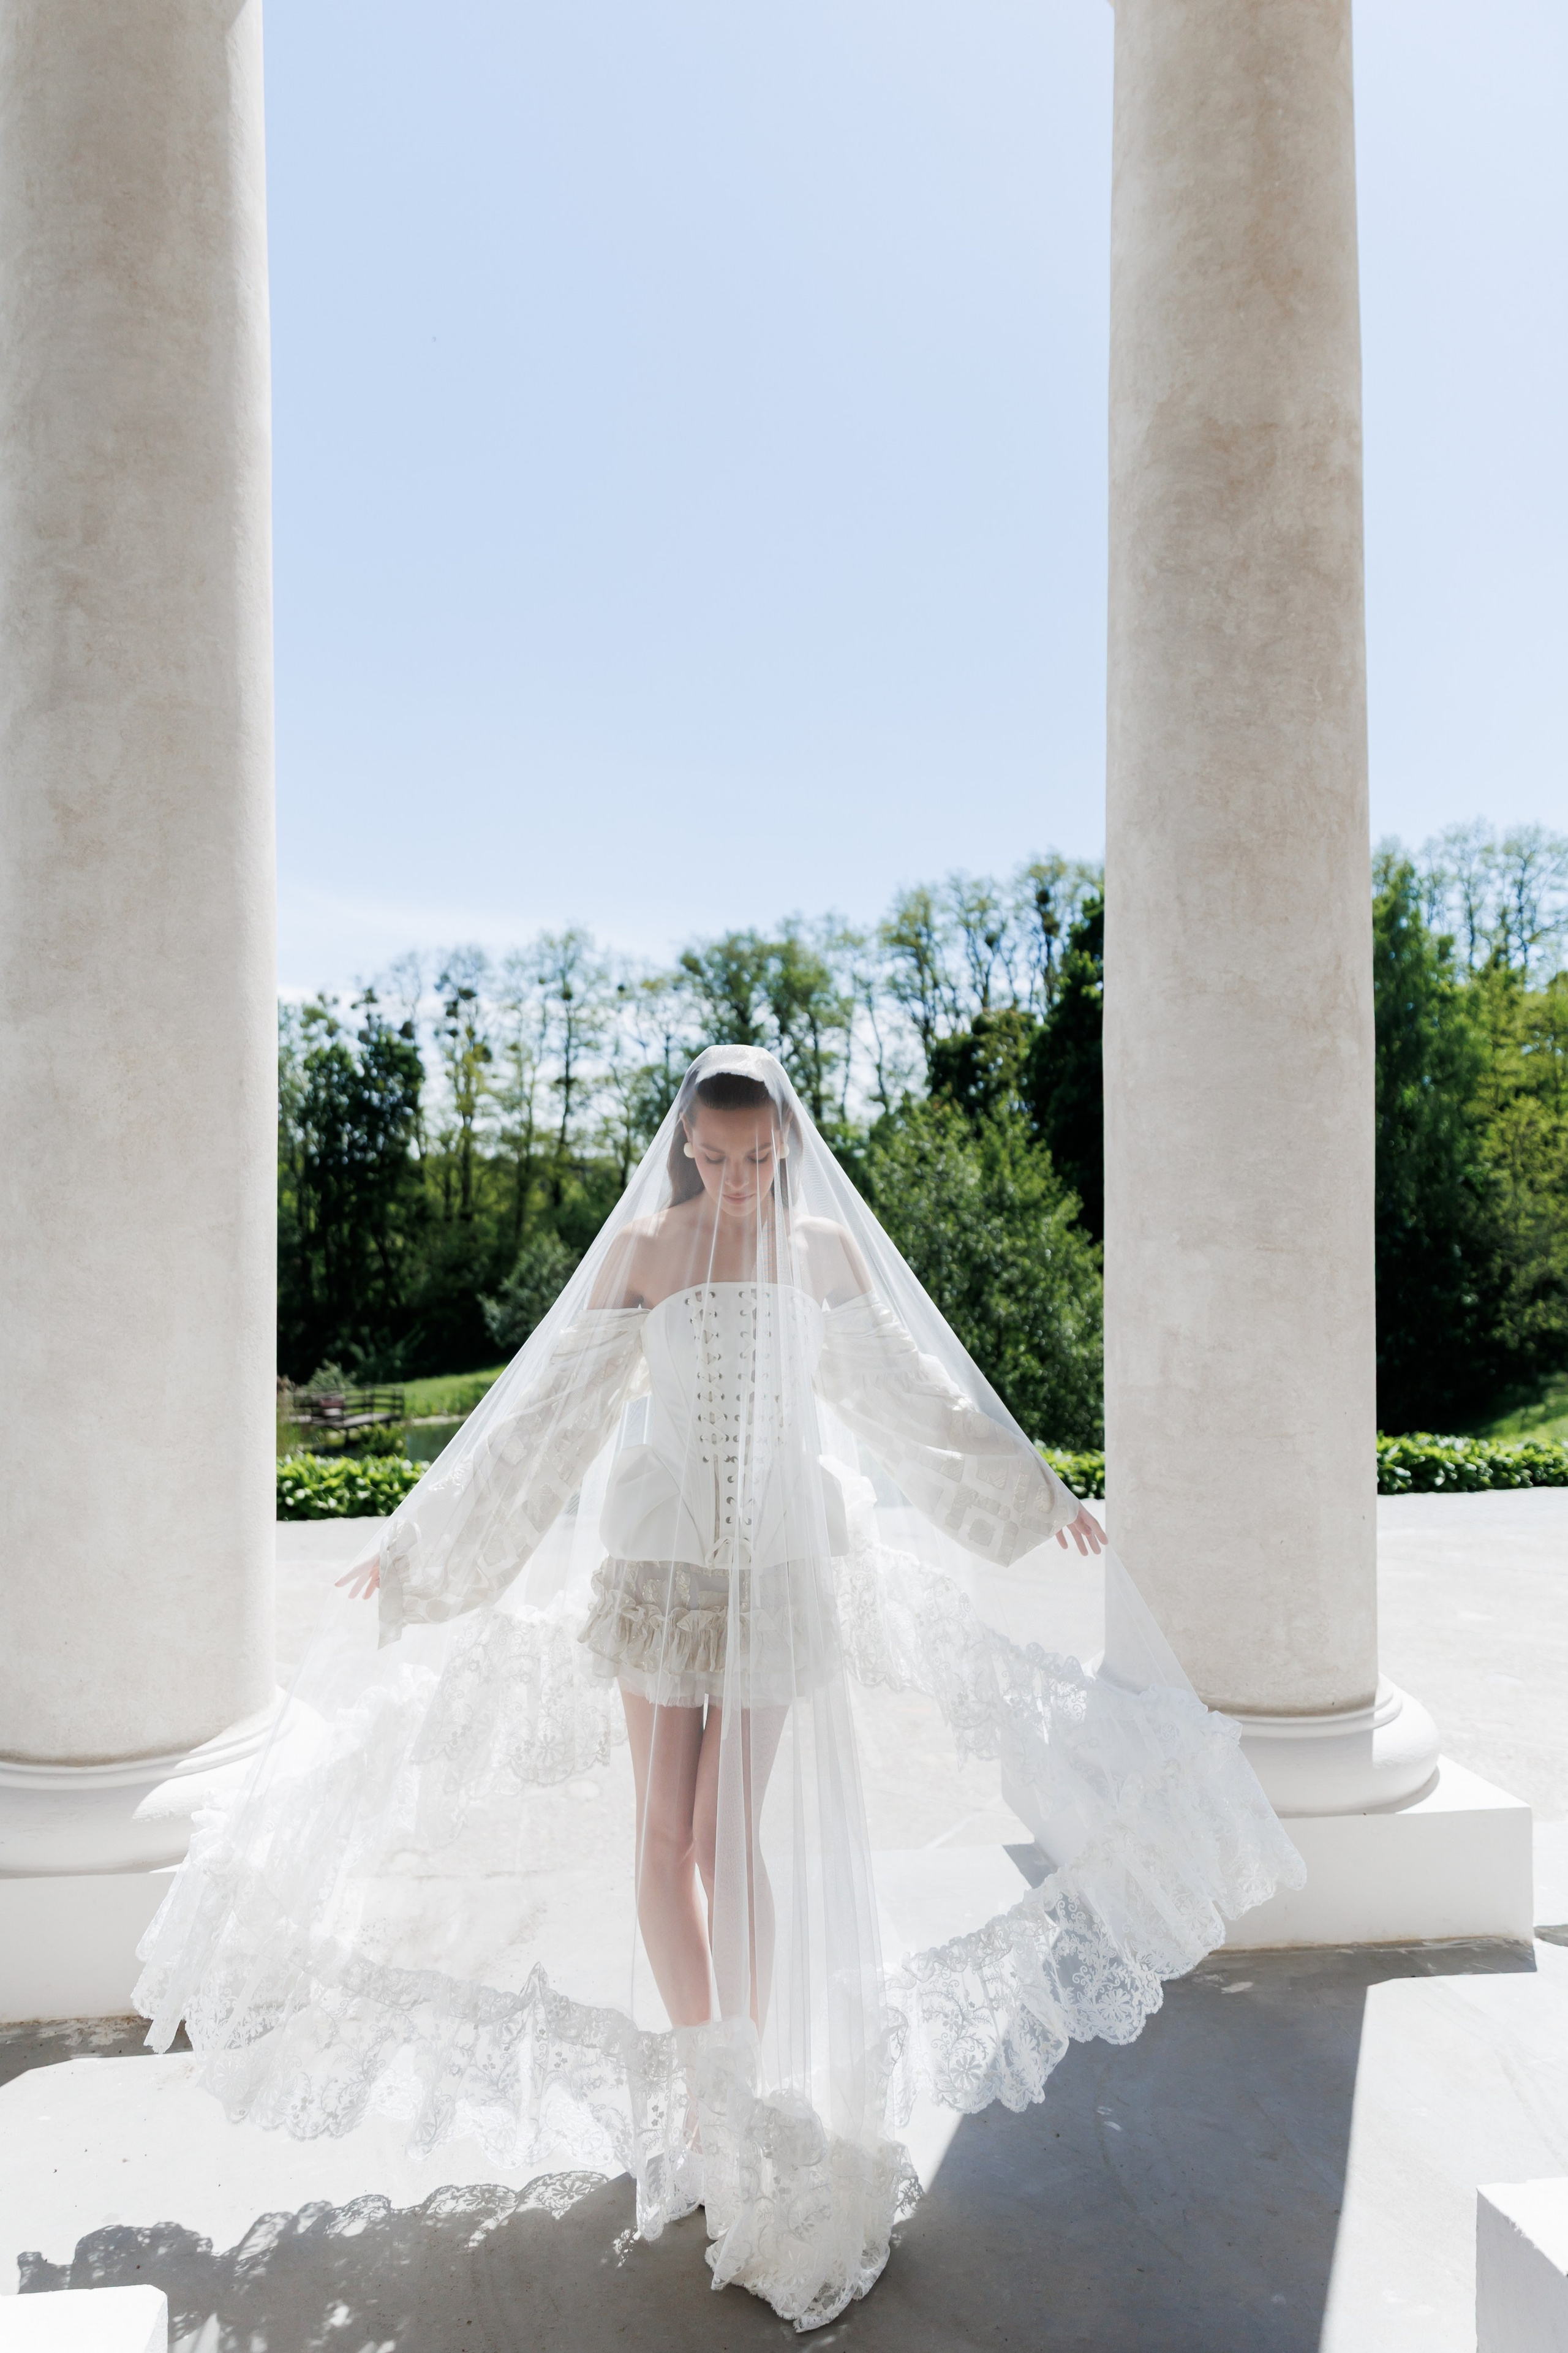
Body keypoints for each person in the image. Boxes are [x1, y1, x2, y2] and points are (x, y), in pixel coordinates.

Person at [137, 1045, 1302, 2333]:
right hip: (659, 1563)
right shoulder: (643, 1250)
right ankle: (709, 2089)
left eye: (760, 1159)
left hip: (782, 1565)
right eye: (718, 1156)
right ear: (686, 1143)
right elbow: (543, 1421)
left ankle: (746, 2086)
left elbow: (906, 1403)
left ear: (783, 1147)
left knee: (730, 1831)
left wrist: (1031, 1491)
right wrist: (420, 1541)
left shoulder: (820, 1253)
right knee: (661, 1831)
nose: (740, 1179)